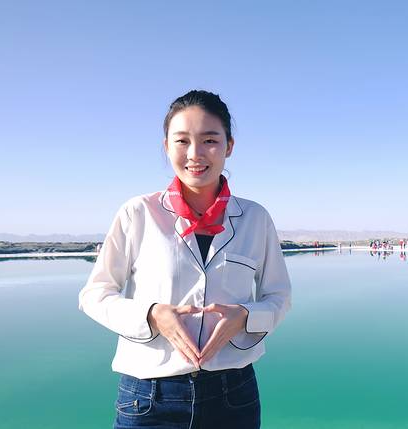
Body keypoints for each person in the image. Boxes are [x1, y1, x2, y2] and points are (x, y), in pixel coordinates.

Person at [78, 90, 292, 428]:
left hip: (233, 394)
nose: (195, 154)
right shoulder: (138, 213)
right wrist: (151, 315)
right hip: (149, 398)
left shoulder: (255, 218)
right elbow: (94, 295)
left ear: (229, 146)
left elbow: (279, 297)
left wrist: (245, 316)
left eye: (210, 140)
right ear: (167, 146)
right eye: (182, 141)